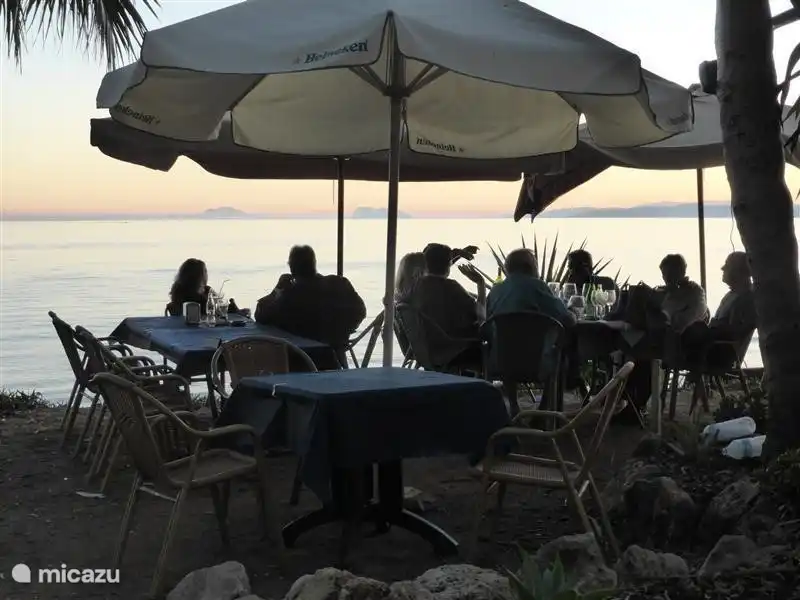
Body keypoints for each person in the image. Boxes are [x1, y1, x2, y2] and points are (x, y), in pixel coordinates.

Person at [255, 245, 366, 367]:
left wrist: (277, 289)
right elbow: (361, 311)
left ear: (291, 267)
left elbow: (261, 315)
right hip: (337, 359)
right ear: (314, 263)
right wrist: (341, 334)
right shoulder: (341, 284)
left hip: (302, 363)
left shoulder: (290, 295)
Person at [408, 243, 486, 367]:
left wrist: (457, 254)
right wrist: (480, 283)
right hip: (453, 351)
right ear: (449, 264)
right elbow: (481, 315)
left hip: (425, 350)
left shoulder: (415, 287)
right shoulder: (452, 287)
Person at [681, 251, 756, 368]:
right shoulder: (731, 295)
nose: (723, 269)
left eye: (728, 266)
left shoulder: (746, 299)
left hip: (721, 353)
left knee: (694, 329)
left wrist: (710, 328)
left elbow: (735, 332)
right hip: (712, 346)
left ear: (739, 271)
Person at [486, 248, 576, 328]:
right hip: (537, 342)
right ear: (530, 267)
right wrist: (573, 313)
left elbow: (485, 322)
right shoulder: (538, 286)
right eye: (536, 265)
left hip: (501, 342)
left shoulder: (495, 291)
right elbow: (568, 320)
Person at [657, 254, 707, 333]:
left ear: (682, 271)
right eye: (663, 274)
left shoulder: (695, 291)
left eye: (670, 273)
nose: (666, 278)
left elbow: (688, 321)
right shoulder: (663, 292)